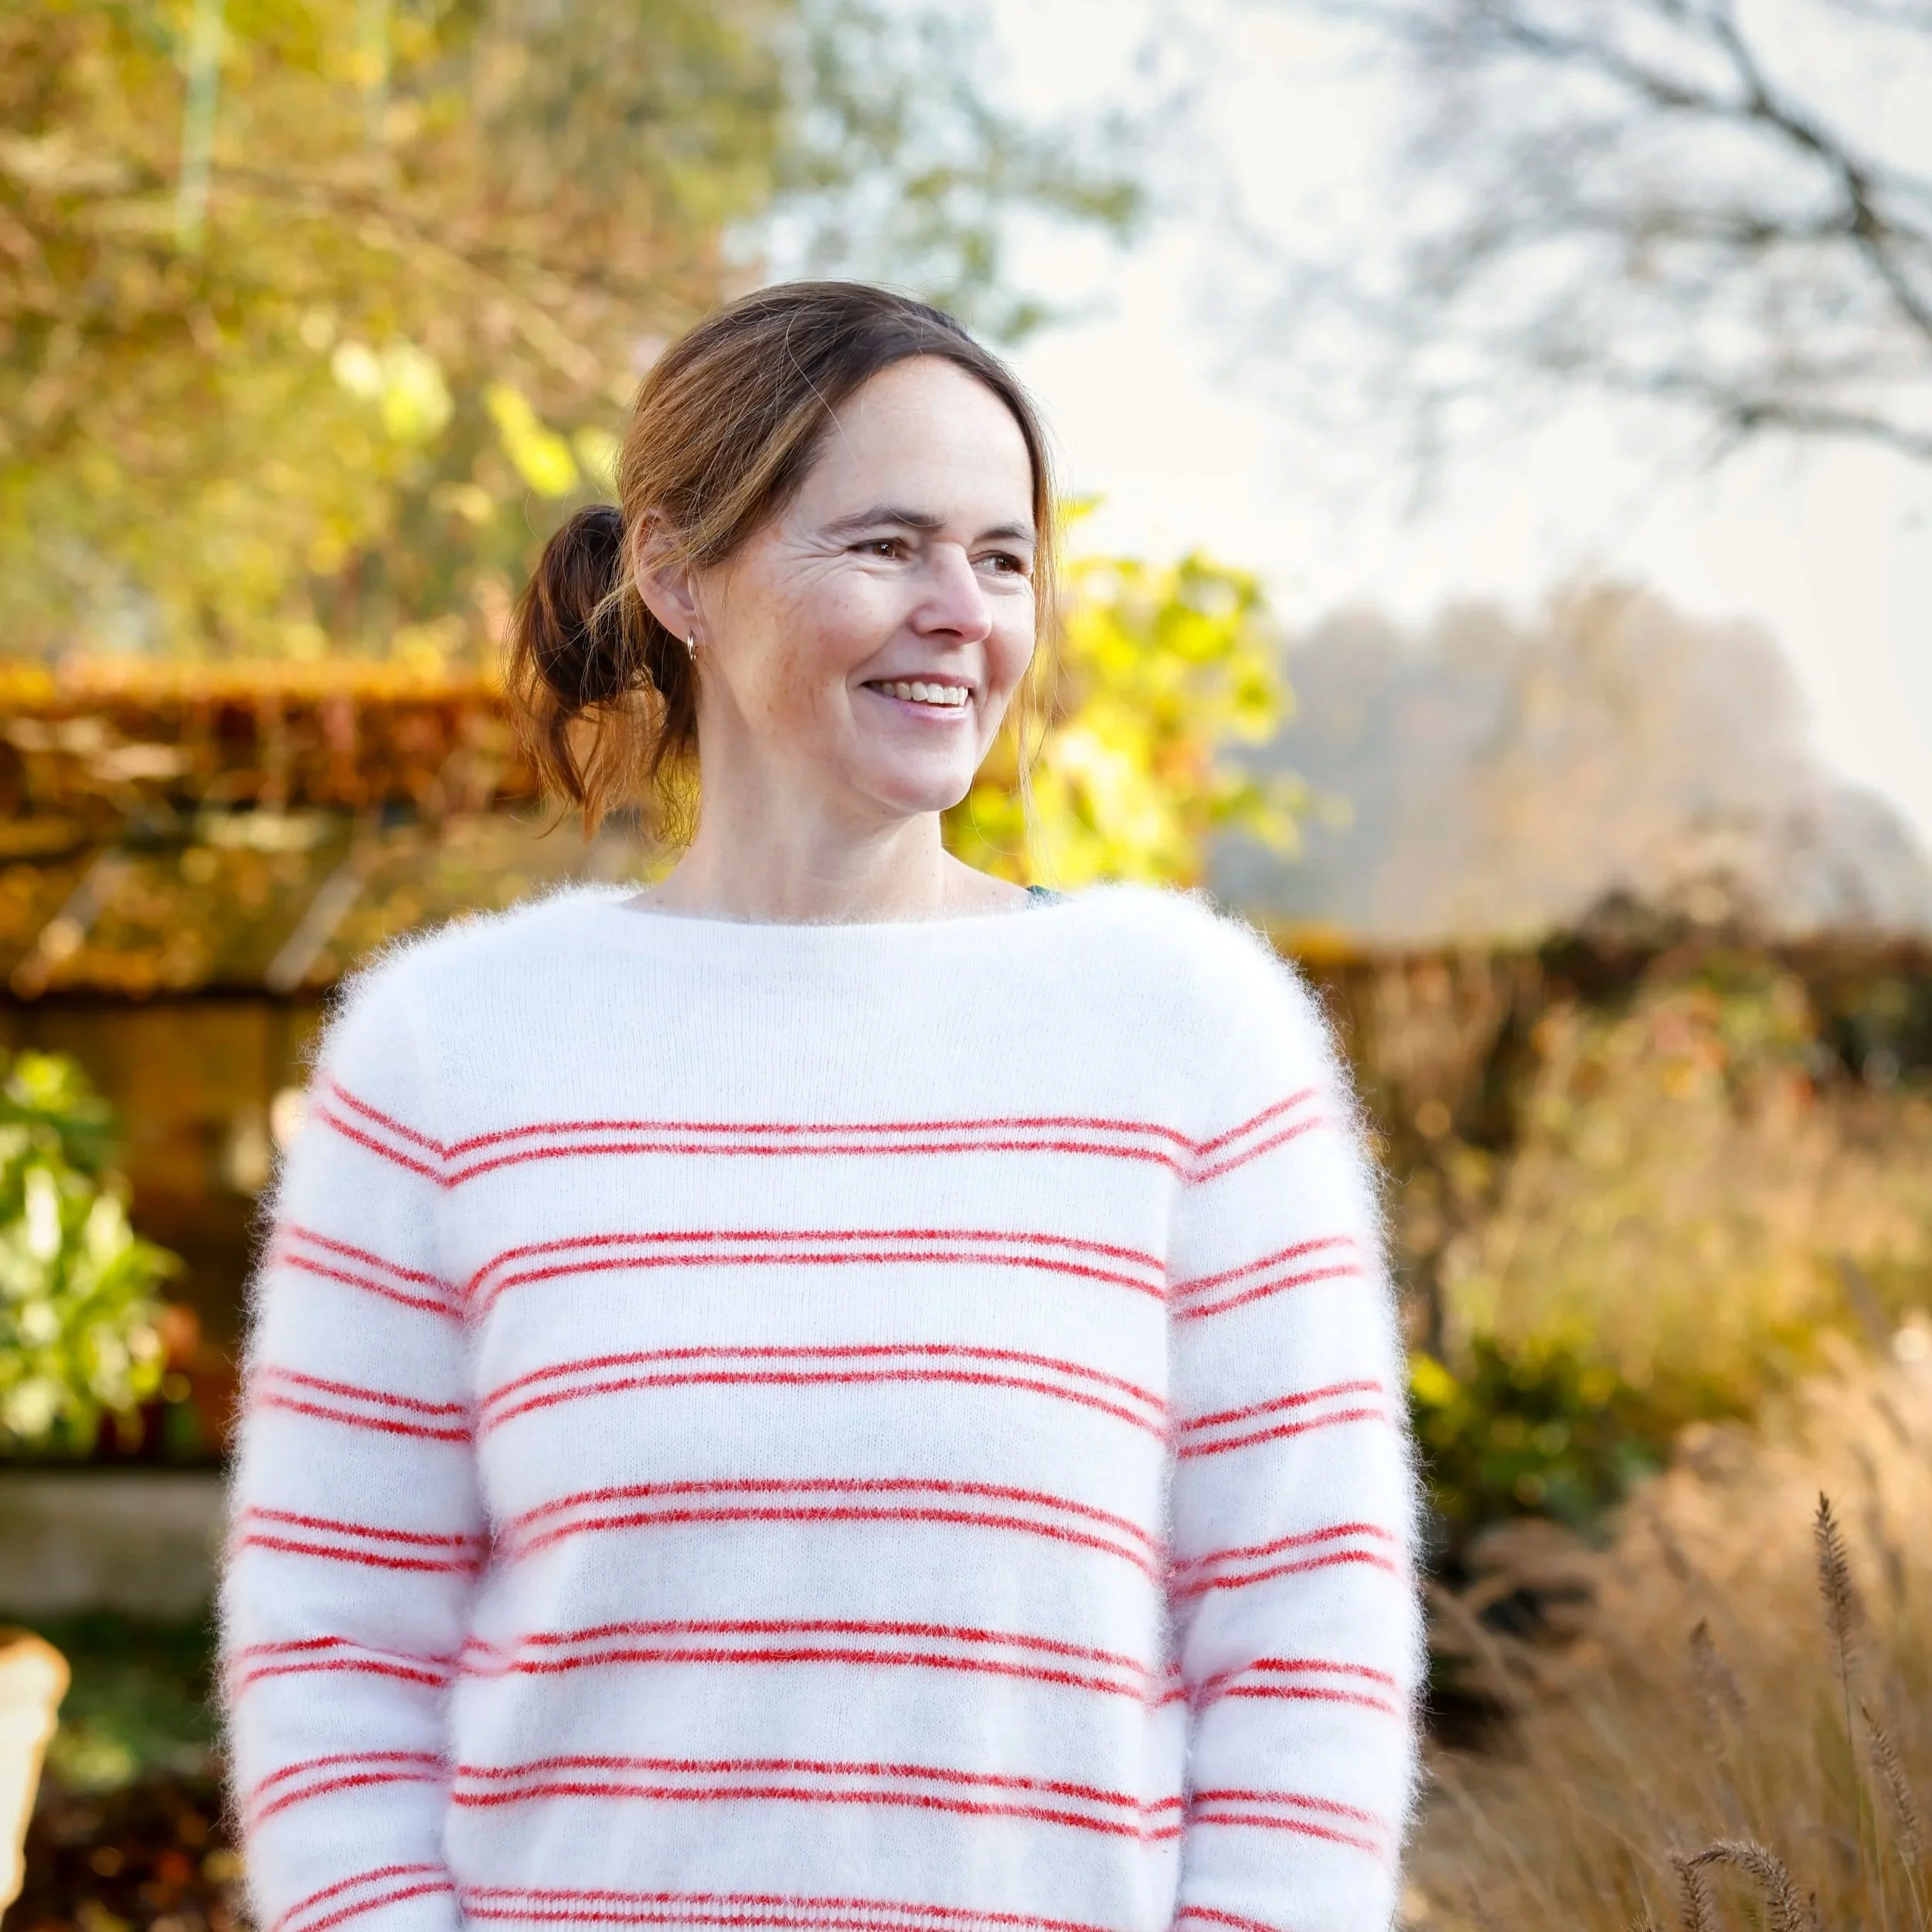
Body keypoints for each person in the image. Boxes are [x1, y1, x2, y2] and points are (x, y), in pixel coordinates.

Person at [219, 281, 1420, 1932]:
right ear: (675, 572)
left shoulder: (1194, 1036)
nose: (960, 609)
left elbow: (1304, 1637)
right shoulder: (440, 1051)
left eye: (1001, 558)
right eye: (887, 544)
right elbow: (333, 1646)